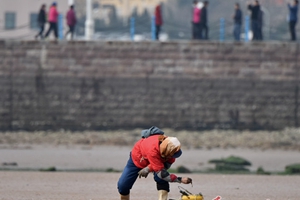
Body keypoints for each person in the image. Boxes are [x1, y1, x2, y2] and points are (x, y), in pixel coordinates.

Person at [117, 126, 192, 200]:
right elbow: (157, 166)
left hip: (156, 161)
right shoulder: (153, 150)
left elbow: (162, 174)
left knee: (161, 179)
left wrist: (148, 168)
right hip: (138, 159)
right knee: (123, 186)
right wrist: (180, 180)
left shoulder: (172, 150)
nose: (173, 157)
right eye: (173, 155)